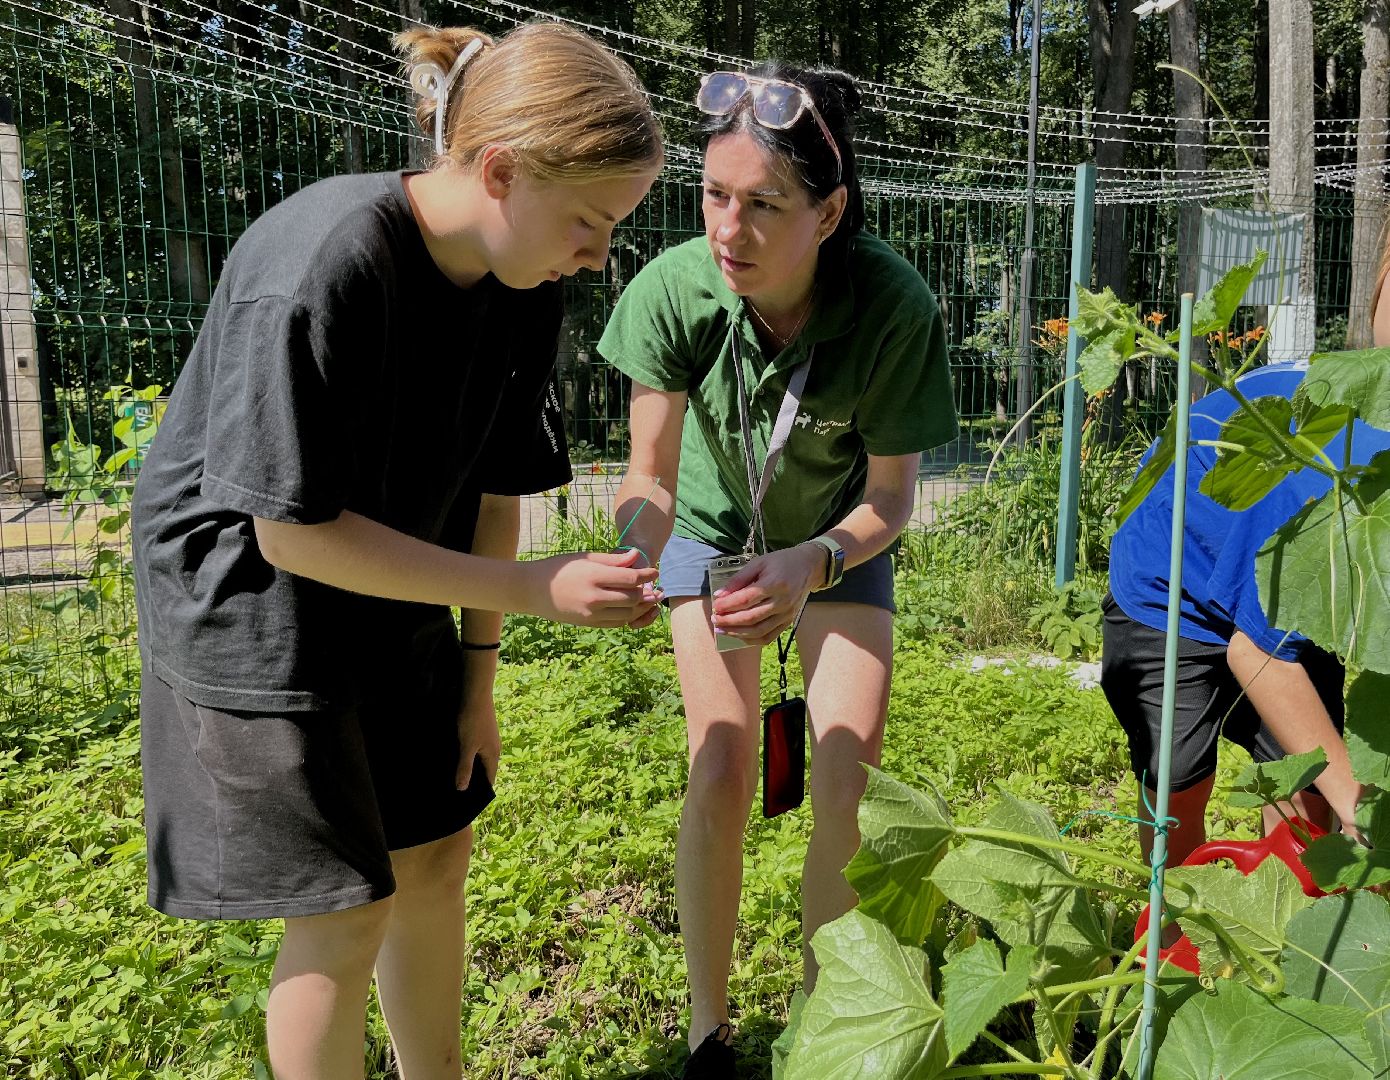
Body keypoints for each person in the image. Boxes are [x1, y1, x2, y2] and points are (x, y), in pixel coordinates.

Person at [130, 23, 662, 1080]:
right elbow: (289, 529)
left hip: (396, 581)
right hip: (254, 604)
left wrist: (478, 679)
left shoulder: (525, 283)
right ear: (502, 171)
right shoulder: (327, 262)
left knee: (433, 858)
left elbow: (495, 488)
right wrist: (528, 592)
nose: (600, 254)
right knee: (344, 906)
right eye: (590, 221)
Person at [599, 64, 957, 1076]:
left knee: (846, 768)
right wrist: (641, 547)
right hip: (709, 536)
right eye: (714, 195)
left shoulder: (891, 305)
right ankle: (708, 1035)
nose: (729, 229)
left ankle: (820, 1025)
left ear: (829, 211)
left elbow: (889, 499)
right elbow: (648, 479)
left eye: (764, 205)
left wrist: (815, 559)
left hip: (835, 542)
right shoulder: (674, 291)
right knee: (720, 764)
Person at [1101, 232, 1390, 878]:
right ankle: (1171, 914)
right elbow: (1255, 653)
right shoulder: (1340, 464)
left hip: (1284, 588)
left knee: (1304, 778)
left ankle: (1282, 922)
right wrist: (1361, 807)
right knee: (1179, 776)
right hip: (1171, 585)